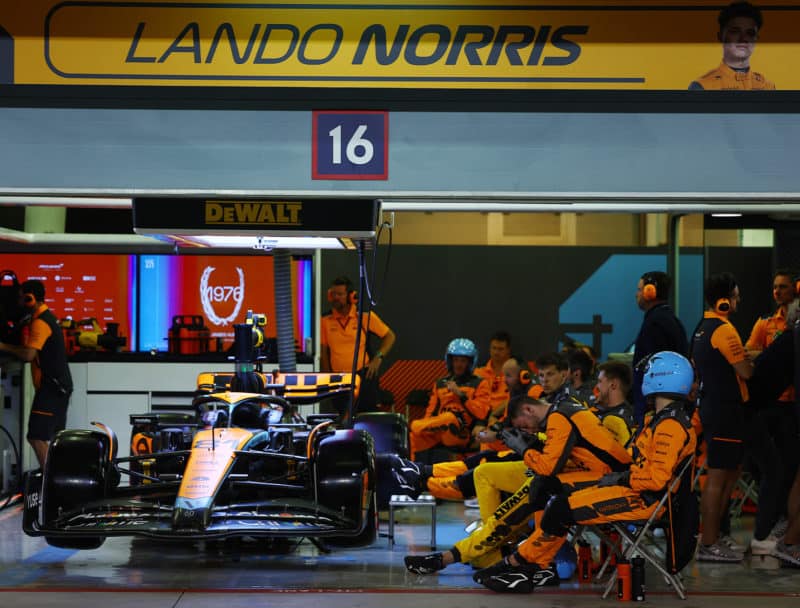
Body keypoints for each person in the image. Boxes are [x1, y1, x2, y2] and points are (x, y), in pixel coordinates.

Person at [475, 351, 697, 594]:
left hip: (645, 499)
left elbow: (656, 479)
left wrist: (623, 477)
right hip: (635, 488)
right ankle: (530, 564)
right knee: (549, 489)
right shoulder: (661, 418)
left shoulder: (670, 425)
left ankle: (522, 566)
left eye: (647, 373)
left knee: (560, 508)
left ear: (659, 378)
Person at [403, 390, 631, 578]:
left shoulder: (560, 415)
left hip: (598, 480)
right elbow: (556, 450)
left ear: (529, 410)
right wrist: (528, 442)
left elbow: (548, 467)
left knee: (535, 489)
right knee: (485, 471)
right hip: (580, 472)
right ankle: (493, 551)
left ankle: (452, 556)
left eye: (525, 425)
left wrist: (524, 447)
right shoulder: (564, 405)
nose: (527, 430)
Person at [692, 272, 753, 562]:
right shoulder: (725, 330)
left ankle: (715, 537)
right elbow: (745, 372)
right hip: (725, 410)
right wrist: (753, 360)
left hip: (716, 408)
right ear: (724, 300)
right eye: (736, 295)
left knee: (727, 478)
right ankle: (709, 543)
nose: (738, 300)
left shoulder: (702, 327)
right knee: (717, 480)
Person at [742, 269, 799, 554]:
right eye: (775, 287)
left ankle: (778, 524)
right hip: (769, 405)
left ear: (794, 290)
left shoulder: (792, 326)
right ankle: (772, 528)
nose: (778, 291)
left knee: (787, 468)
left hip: (790, 406)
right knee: (767, 468)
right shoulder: (766, 323)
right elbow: (748, 354)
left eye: (783, 287)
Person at [0, 280, 72, 467]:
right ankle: (54, 481)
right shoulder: (44, 317)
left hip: (52, 388)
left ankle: (49, 482)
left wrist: (3, 346)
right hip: (57, 387)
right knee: (53, 439)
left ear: (30, 297)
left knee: (36, 437)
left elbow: (28, 354)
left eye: (20, 297)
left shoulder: (41, 322)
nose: (18, 302)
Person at [319, 275, 395, 417]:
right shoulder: (325, 320)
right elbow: (324, 352)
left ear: (351, 296)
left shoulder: (364, 316)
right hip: (338, 379)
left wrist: (378, 358)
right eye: (333, 294)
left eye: (340, 294)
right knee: (343, 418)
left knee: (366, 418)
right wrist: (327, 377)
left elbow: (389, 336)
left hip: (363, 377)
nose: (336, 297)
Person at [409, 338, 491, 461]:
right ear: (450, 361)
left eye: (463, 361)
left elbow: (482, 413)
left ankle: (414, 426)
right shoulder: (440, 383)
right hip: (439, 431)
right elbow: (431, 413)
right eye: (456, 360)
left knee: (449, 417)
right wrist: (423, 428)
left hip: (464, 432)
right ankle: (413, 474)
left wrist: (461, 395)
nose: (458, 364)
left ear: (470, 362)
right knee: (413, 437)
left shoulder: (480, 383)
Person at [632, 271, 688, 427]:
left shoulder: (656, 323)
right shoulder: (664, 319)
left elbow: (656, 370)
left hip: (655, 411)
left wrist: (649, 408)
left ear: (650, 292)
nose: (636, 294)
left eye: (639, 289)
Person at [689, 2, 775, 91]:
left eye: (750, 33)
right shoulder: (702, 86)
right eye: (735, 31)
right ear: (720, 36)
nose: (743, 39)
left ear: (756, 39)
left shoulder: (767, 86)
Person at [591, 360, 635, 447]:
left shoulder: (617, 422)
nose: (596, 386)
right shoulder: (600, 408)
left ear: (613, 385)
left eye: (600, 381)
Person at [474, 331, 513, 416]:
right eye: (494, 348)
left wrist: (493, 415)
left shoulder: (515, 374)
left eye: (500, 349)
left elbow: (515, 399)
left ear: (508, 350)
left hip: (505, 417)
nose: (496, 352)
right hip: (480, 416)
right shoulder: (479, 373)